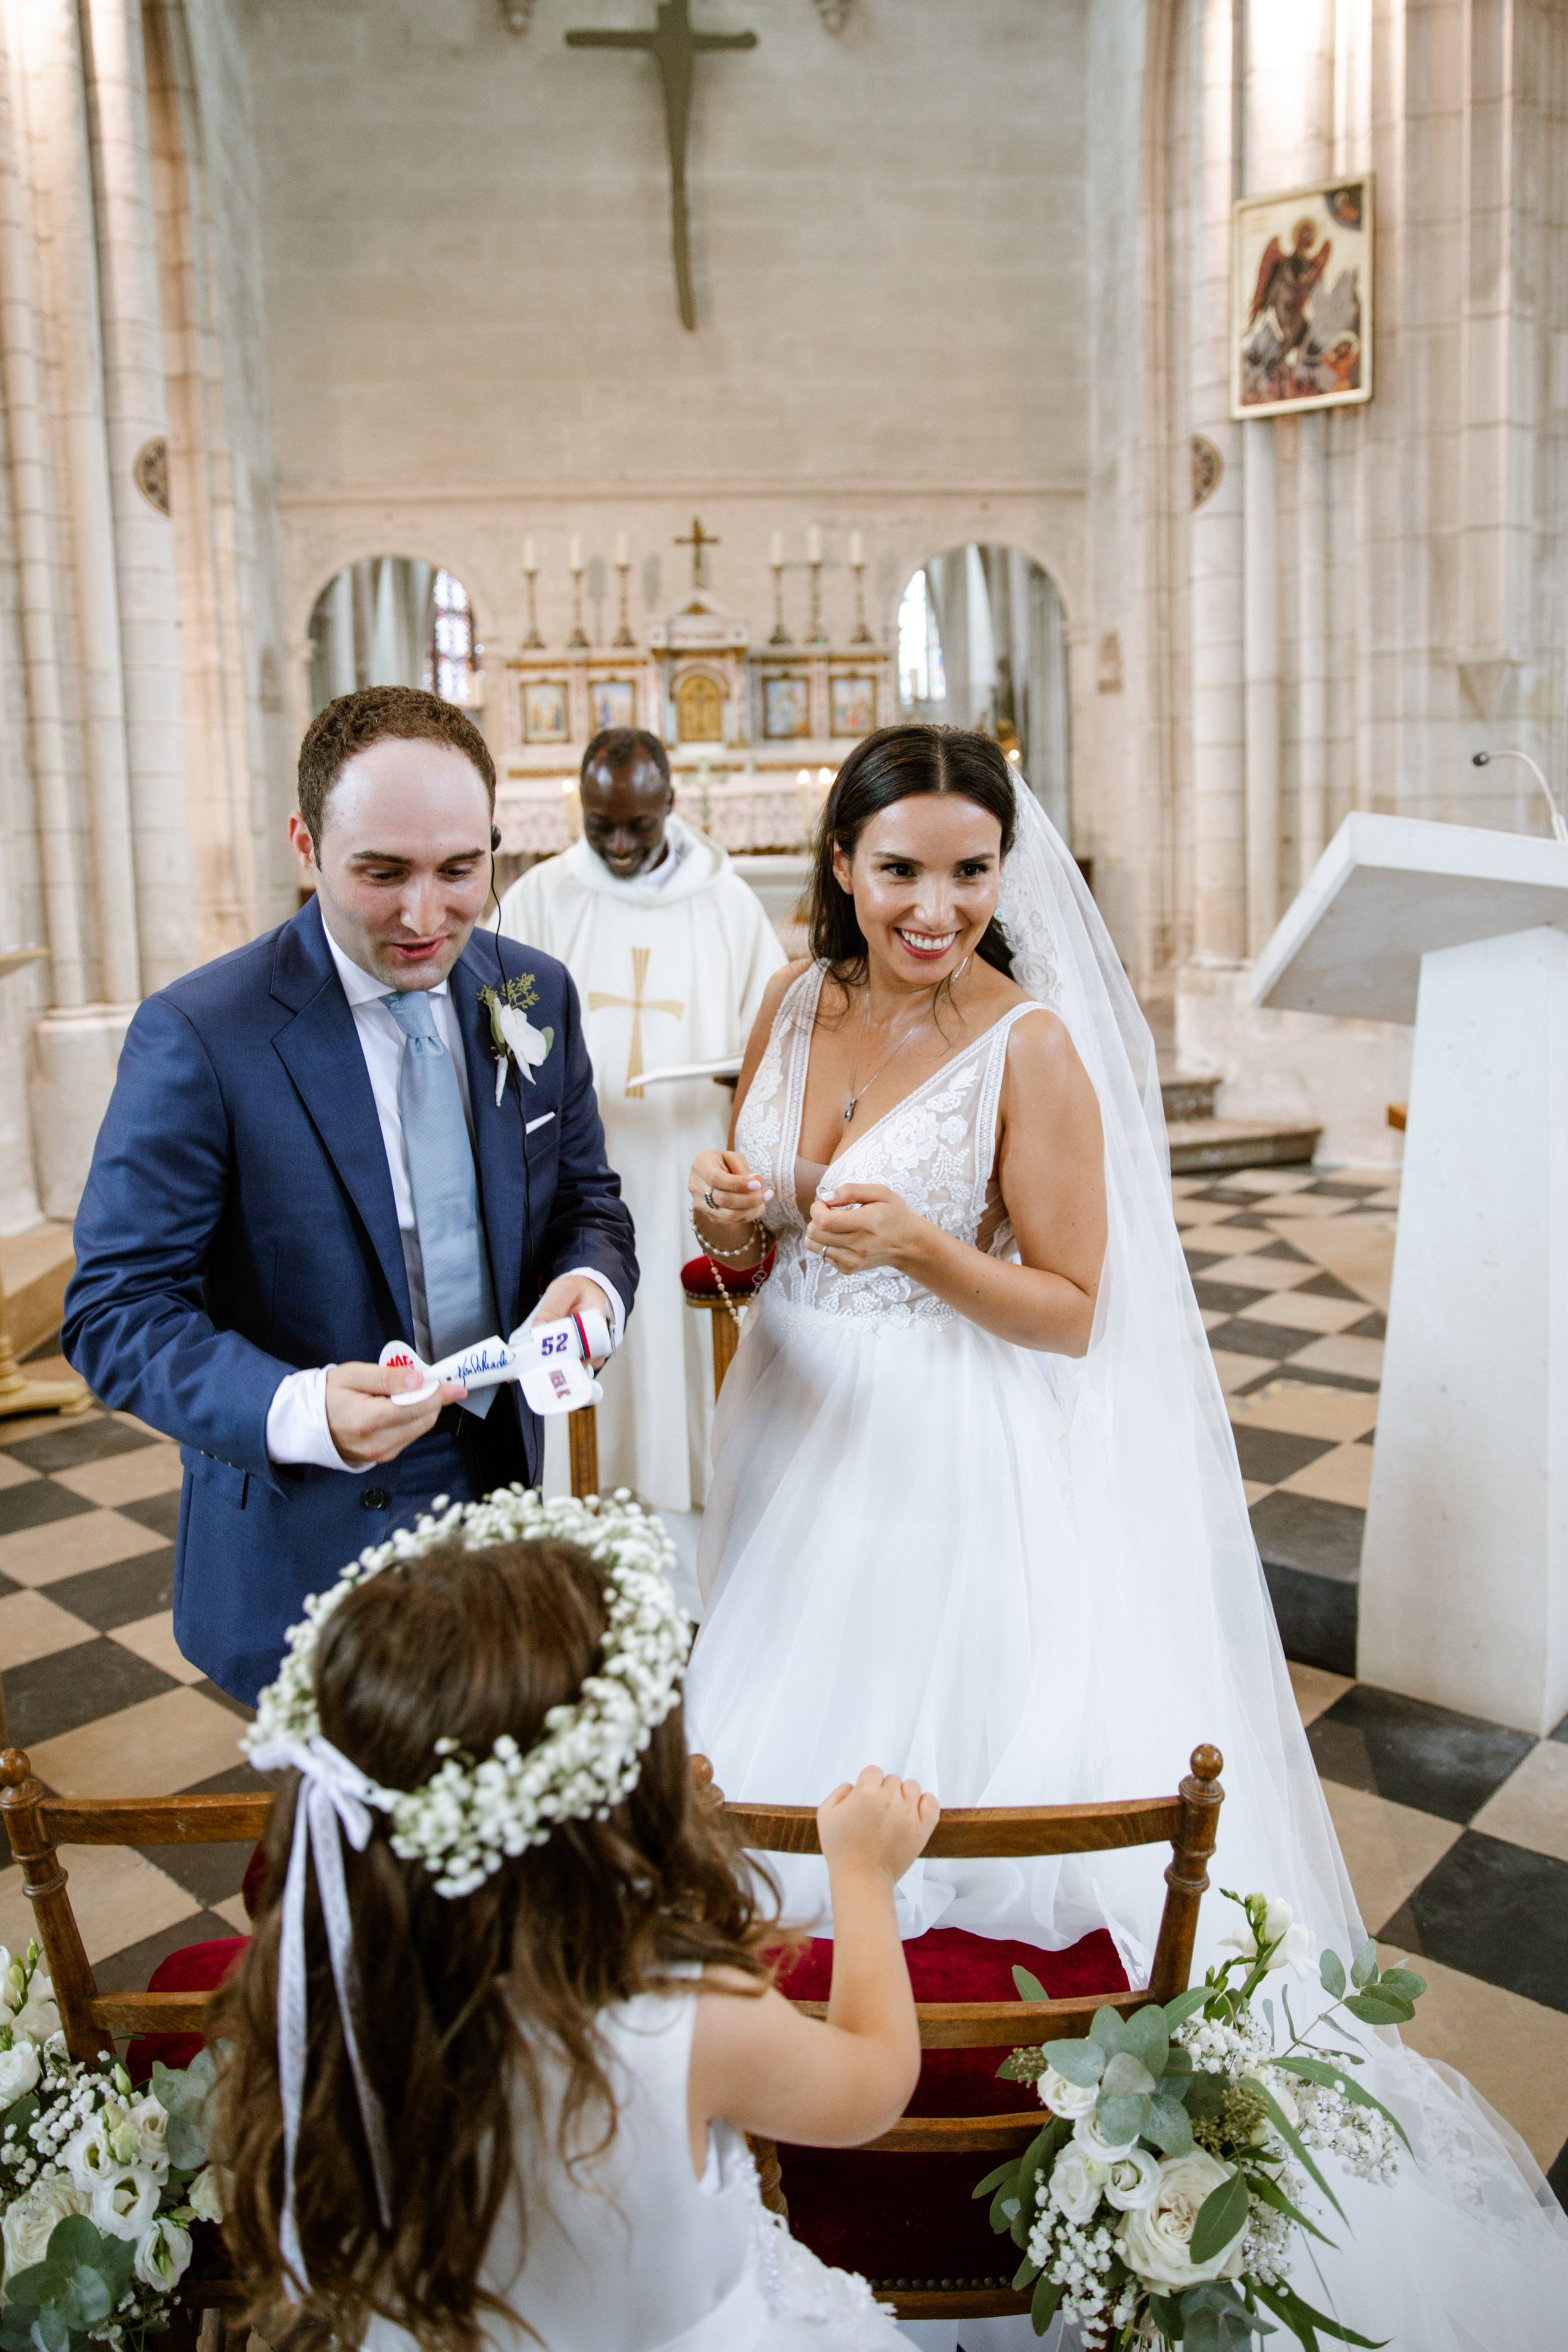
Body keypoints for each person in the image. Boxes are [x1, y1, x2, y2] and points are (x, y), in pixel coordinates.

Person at [684, 723, 1568, 2352]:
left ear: (1005, 874)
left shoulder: (1030, 1050)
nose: (935, 905)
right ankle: (755, 2138)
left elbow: (1075, 1313)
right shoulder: (792, 1005)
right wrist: (732, 1227)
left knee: (933, 1785)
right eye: (901, 870)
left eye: (968, 870)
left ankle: (959, 2136)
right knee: (749, 1802)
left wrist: (930, 1255)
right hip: (787, 1440)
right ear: (839, 867)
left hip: (945, 1466)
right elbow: (752, 1243)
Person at [212, 1493, 937, 2352]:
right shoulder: (688, 2015)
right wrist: (862, 1874)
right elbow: (873, 2082)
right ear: (614, 1798)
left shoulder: (324, 1991)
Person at [62, 687, 637, 1705]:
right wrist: (298, 1410)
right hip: (305, 1532)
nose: (428, 916)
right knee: (330, 1854)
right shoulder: (204, 1033)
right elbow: (115, 1311)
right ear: (305, 845)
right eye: (383, 874)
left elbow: (589, 1199)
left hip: (498, 1487)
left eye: (462, 870)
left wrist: (592, 1285)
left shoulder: (530, 992)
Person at [499, 726, 783, 1510]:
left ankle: (693, 1494)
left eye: (638, 825)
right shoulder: (539, 897)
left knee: (677, 1322)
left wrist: (741, 1073)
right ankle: (580, 1500)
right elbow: (496, 1023)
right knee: (586, 1307)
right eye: (601, 826)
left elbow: (772, 1030)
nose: (619, 844)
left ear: (669, 805)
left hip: (689, 1161)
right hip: (576, 1172)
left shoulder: (725, 901)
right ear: (580, 807)